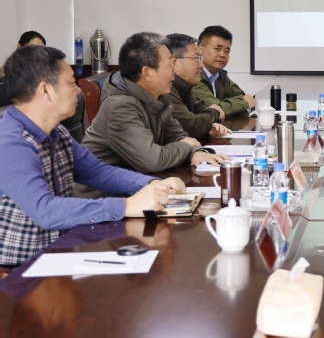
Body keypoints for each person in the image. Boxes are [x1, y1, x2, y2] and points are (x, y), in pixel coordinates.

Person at [0, 45, 186, 267]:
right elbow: (45, 211)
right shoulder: (11, 142)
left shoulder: (57, 131)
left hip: (60, 251)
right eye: (71, 83)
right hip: (19, 268)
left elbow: (98, 172)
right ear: (46, 90)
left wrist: (153, 184)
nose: (79, 91)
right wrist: (126, 206)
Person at [82, 32, 228, 176]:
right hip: (104, 189)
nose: (175, 70)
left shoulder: (157, 97)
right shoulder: (120, 107)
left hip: (137, 181)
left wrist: (196, 152)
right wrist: (187, 146)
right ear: (147, 73)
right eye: (169, 64)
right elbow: (153, 160)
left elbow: (178, 136)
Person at [164, 34, 231, 139]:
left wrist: (214, 125)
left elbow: (210, 117)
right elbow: (194, 127)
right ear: (174, 63)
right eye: (196, 58)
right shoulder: (165, 91)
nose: (201, 65)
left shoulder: (185, 88)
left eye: (200, 58)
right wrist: (216, 112)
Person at [192, 25, 255, 116]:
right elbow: (217, 109)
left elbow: (240, 95)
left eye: (227, 51)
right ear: (200, 49)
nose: (222, 54)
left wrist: (227, 104)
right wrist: (245, 103)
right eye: (217, 49)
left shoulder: (219, 74)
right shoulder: (193, 75)